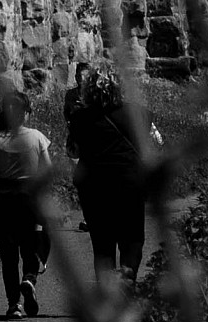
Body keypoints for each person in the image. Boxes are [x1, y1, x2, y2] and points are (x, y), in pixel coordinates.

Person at [66, 69, 154, 291]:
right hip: (130, 183)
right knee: (132, 239)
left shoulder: (79, 117)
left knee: (102, 245)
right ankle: (126, 282)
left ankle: (107, 296)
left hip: (94, 187)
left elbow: (73, 152)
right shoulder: (140, 114)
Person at [0, 90, 54, 319]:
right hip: (29, 200)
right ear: (26, 113)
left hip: (3, 201)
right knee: (32, 245)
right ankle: (29, 278)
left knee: (8, 256)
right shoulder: (37, 137)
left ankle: (14, 305)